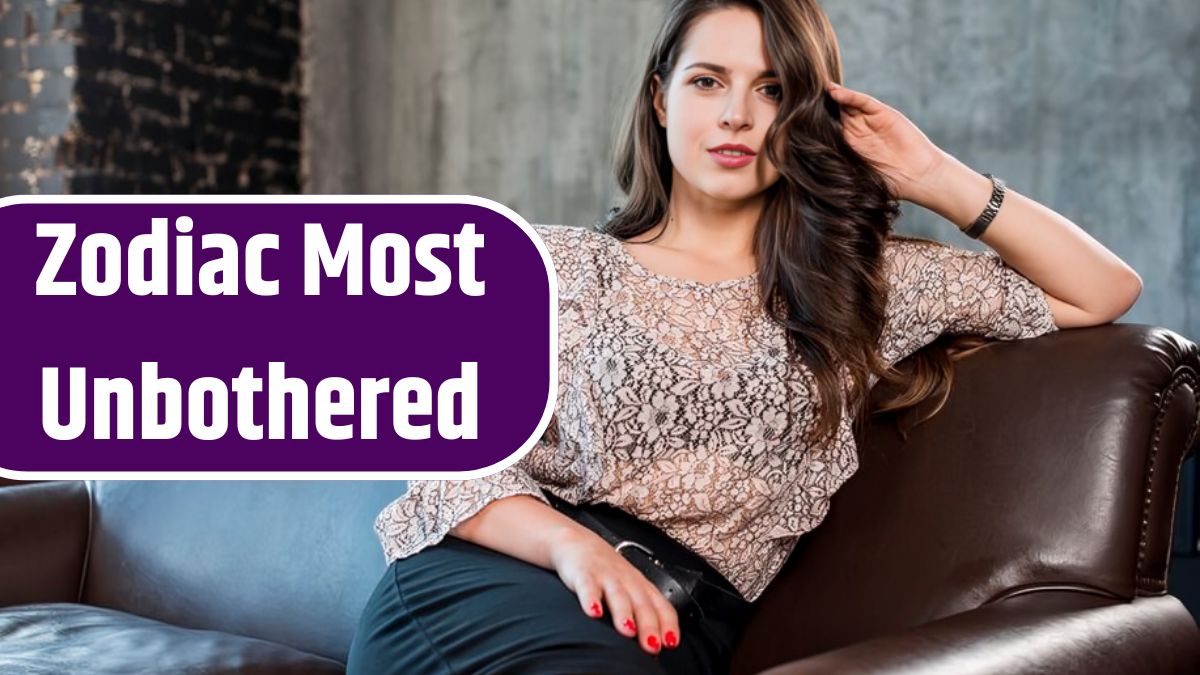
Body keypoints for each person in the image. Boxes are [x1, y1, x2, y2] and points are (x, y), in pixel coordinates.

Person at [346, 1, 1142, 673]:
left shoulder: (865, 283)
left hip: (671, 624)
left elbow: (1102, 288)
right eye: (707, 82)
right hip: (494, 578)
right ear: (661, 101)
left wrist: (936, 176)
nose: (736, 115)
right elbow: (450, 464)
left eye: (772, 89)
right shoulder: (555, 264)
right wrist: (575, 551)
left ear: (806, 114)